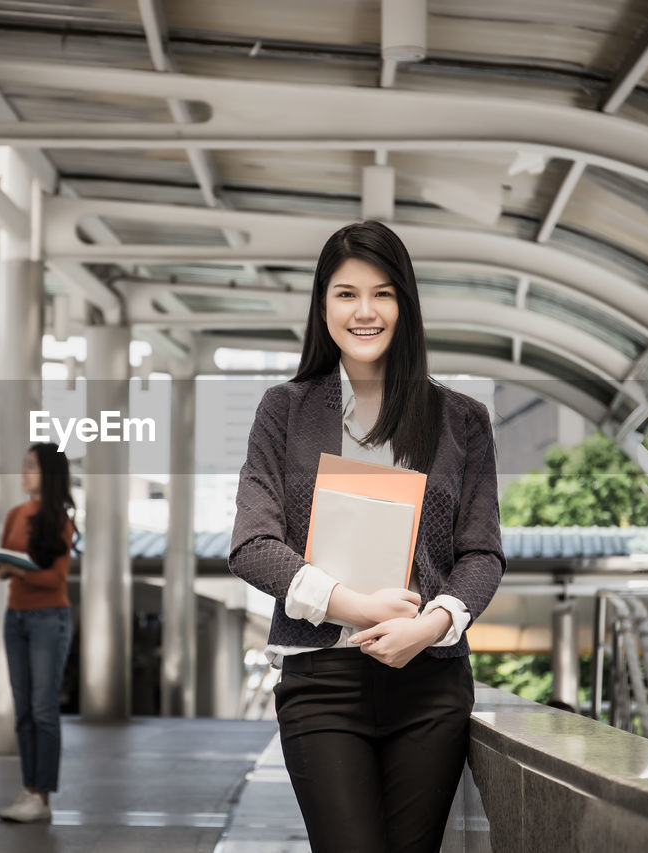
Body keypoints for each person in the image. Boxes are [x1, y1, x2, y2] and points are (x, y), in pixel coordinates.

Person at [229, 221, 505, 853]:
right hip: (321, 679)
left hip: (429, 681)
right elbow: (251, 543)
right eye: (346, 293)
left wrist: (430, 625)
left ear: (404, 305)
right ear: (322, 304)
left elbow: (481, 553)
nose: (365, 311)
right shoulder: (286, 409)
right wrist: (352, 607)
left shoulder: (461, 419)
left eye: (382, 293)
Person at [0, 443, 78, 823]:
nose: (24, 473)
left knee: (43, 710)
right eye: (24, 465)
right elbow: (4, 561)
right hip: (16, 618)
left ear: (50, 474)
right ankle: (28, 791)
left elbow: (55, 577)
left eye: (32, 467)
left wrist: (17, 571)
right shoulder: (14, 515)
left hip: (49, 619)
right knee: (23, 710)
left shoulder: (60, 519)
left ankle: (42, 798)